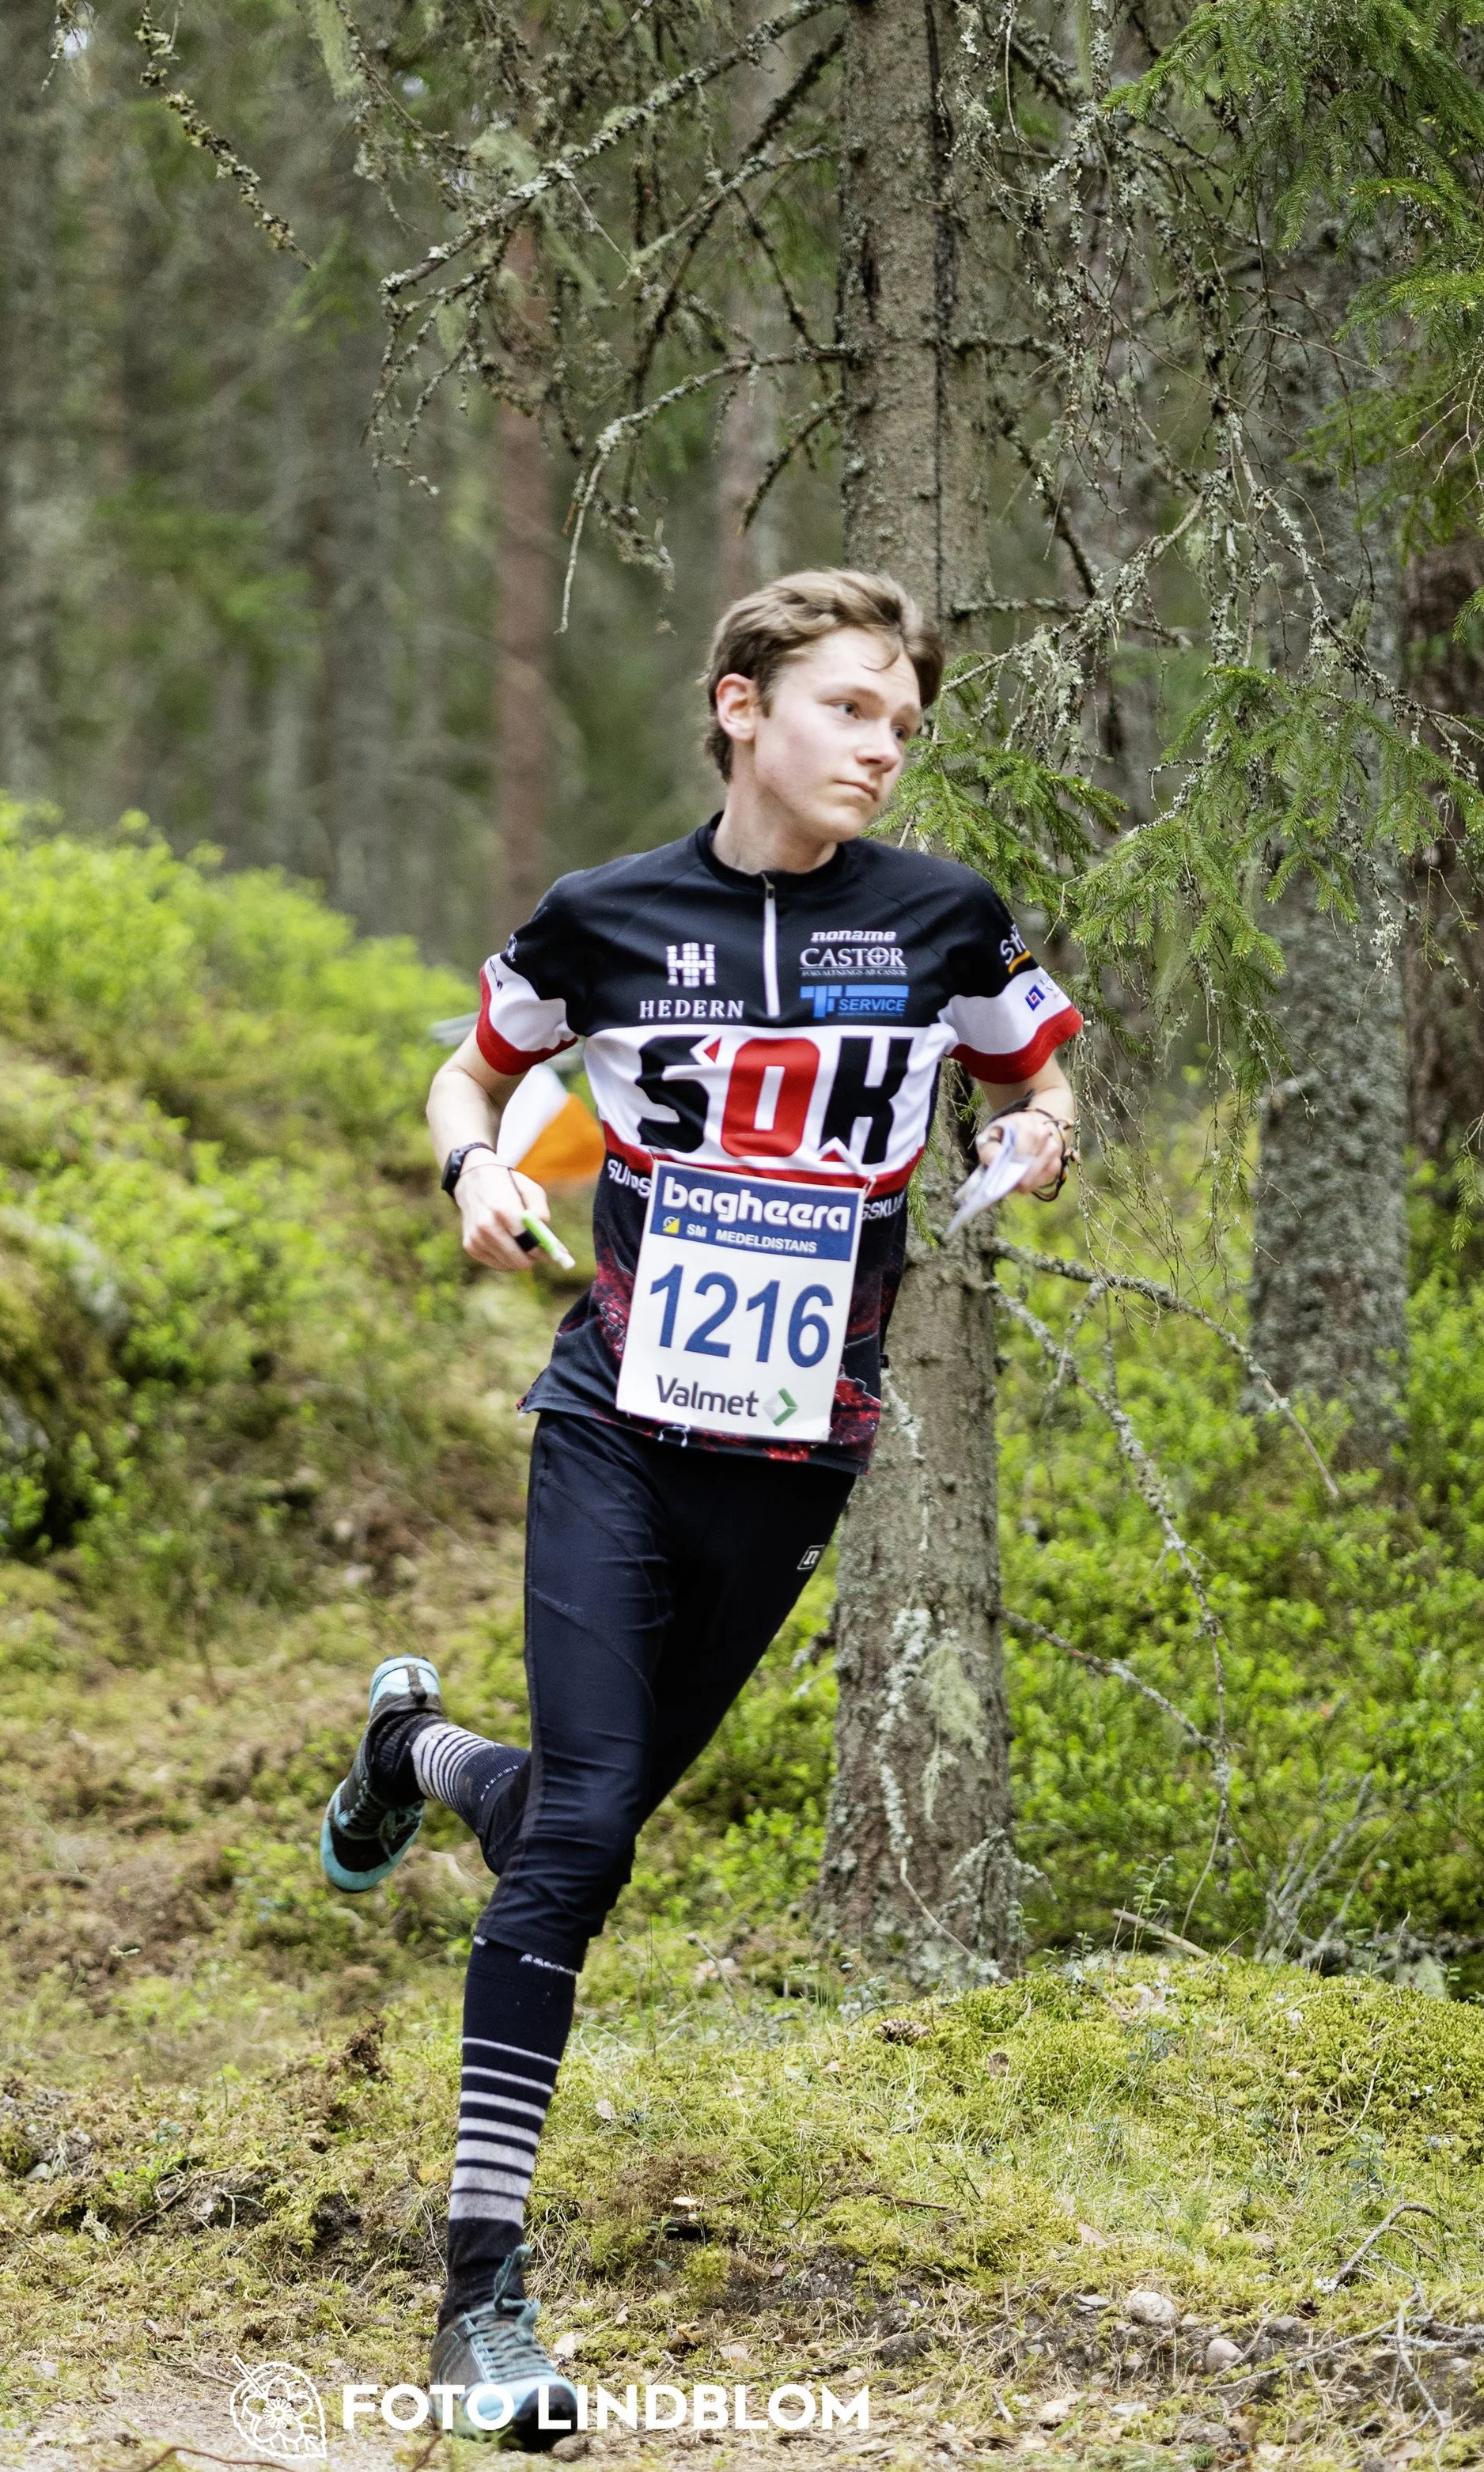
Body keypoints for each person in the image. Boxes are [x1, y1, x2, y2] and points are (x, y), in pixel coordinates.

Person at [320, 569, 1081, 2444]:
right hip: (612, 1420)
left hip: (795, 1443)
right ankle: (479, 2294)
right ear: (740, 707)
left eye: (901, 721)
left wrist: (1035, 1134)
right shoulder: (603, 918)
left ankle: (408, 1751)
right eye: (848, 708)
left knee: (574, 1821)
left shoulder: (938, 918)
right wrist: (472, 1164)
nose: (882, 746)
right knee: (582, 1842)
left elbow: (1035, 1062)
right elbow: (468, 1061)